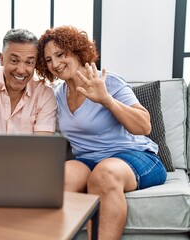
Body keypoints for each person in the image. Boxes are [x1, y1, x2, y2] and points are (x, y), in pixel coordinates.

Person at [36, 25, 167, 239]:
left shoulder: (109, 81)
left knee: (103, 174)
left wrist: (107, 100)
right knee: (61, 178)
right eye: (49, 60)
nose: (55, 64)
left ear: (76, 50)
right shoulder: (57, 96)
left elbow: (144, 126)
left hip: (134, 156)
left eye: (60, 54)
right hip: (87, 160)